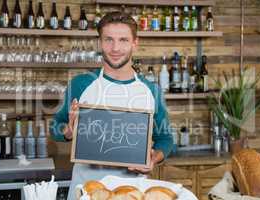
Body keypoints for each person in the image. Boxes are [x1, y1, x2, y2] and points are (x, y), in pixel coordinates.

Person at [50, 11, 173, 200]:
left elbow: (165, 138)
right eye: (108, 40)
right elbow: (55, 127)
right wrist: (68, 131)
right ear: (100, 42)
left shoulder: (151, 90)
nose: (115, 48)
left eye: (123, 40)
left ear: (135, 43)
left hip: (132, 192)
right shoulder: (81, 84)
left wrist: (153, 158)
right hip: (85, 192)